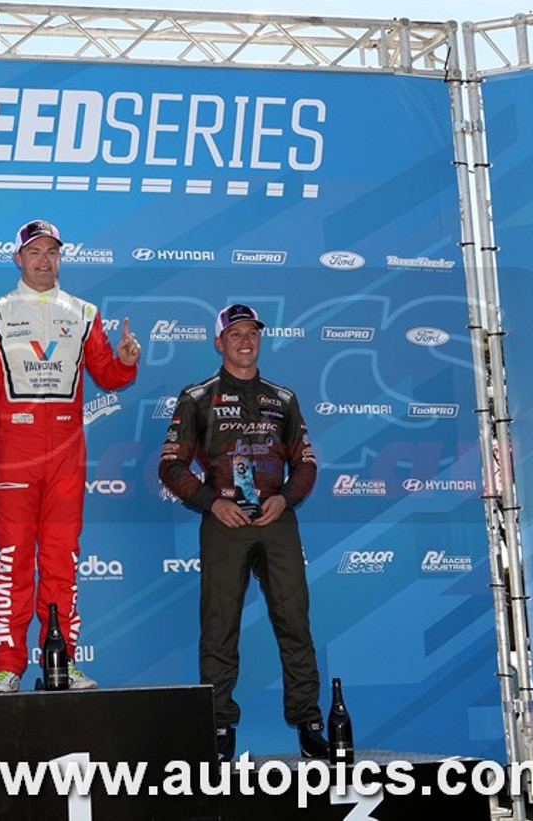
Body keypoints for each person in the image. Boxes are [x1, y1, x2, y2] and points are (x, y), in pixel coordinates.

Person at [0, 219, 140, 693]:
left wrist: (127, 361)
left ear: (61, 257)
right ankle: (7, 665)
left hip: (68, 452)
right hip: (15, 452)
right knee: (12, 559)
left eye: (52, 252)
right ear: (18, 259)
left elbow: (107, 374)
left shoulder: (84, 312)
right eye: (35, 252)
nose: (45, 260)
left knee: (61, 561)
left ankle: (62, 661)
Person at [158, 303, 327, 761]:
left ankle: (309, 719)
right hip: (225, 522)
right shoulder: (198, 397)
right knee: (219, 625)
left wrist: (286, 498)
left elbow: (307, 464)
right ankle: (217, 726)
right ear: (219, 343)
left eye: (252, 332)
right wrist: (212, 502)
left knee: (294, 619)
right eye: (235, 334)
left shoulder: (283, 398)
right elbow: (170, 465)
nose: (245, 341)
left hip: (277, 520)